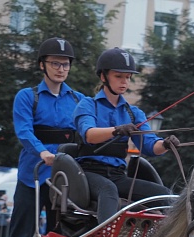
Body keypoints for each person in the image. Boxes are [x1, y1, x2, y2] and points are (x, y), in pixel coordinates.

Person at [73, 47, 179, 224]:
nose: (124, 82)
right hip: (88, 174)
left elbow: (150, 146)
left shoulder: (133, 113)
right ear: (103, 76)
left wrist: (166, 144)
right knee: (108, 190)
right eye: (118, 76)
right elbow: (89, 135)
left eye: (128, 77)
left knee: (166, 195)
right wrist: (116, 130)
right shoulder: (88, 105)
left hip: (117, 175)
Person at [9, 37, 85, 237]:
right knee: (20, 236)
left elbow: (87, 133)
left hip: (65, 180)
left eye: (65, 64)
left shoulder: (79, 100)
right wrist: (42, 153)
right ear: (42, 64)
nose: (61, 69)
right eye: (55, 63)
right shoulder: (26, 96)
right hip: (32, 175)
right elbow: (24, 131)